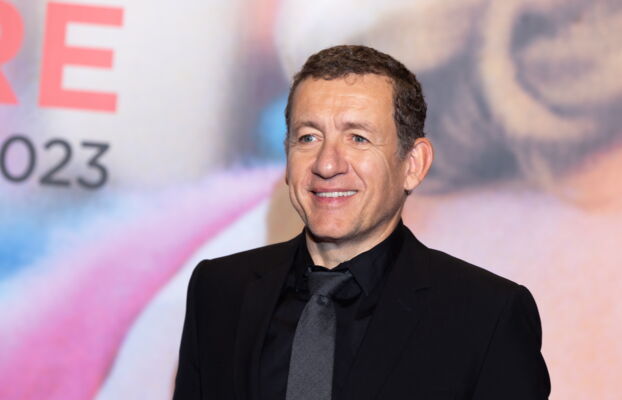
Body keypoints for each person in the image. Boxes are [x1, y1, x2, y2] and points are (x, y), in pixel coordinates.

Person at [173, 45, 550, 400]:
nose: (327, 164)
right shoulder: (219, 289)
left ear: (413, 164)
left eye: (357, 138)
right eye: (308, 137)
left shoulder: (487, 315)